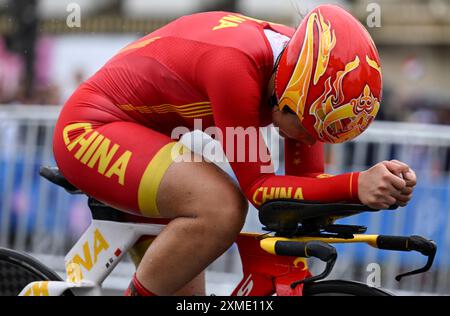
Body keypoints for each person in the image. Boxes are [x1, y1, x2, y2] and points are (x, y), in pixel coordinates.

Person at [53, 5, 416, 296]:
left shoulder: (302, 68)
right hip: (90, 128)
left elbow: (304, 183)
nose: (309, 141)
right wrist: (355, 185)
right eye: (307, 130)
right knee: (221, 207)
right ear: (286, 98)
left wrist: (376, 190)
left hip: (148, 136)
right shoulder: (235, 66)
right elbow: (260, 189)